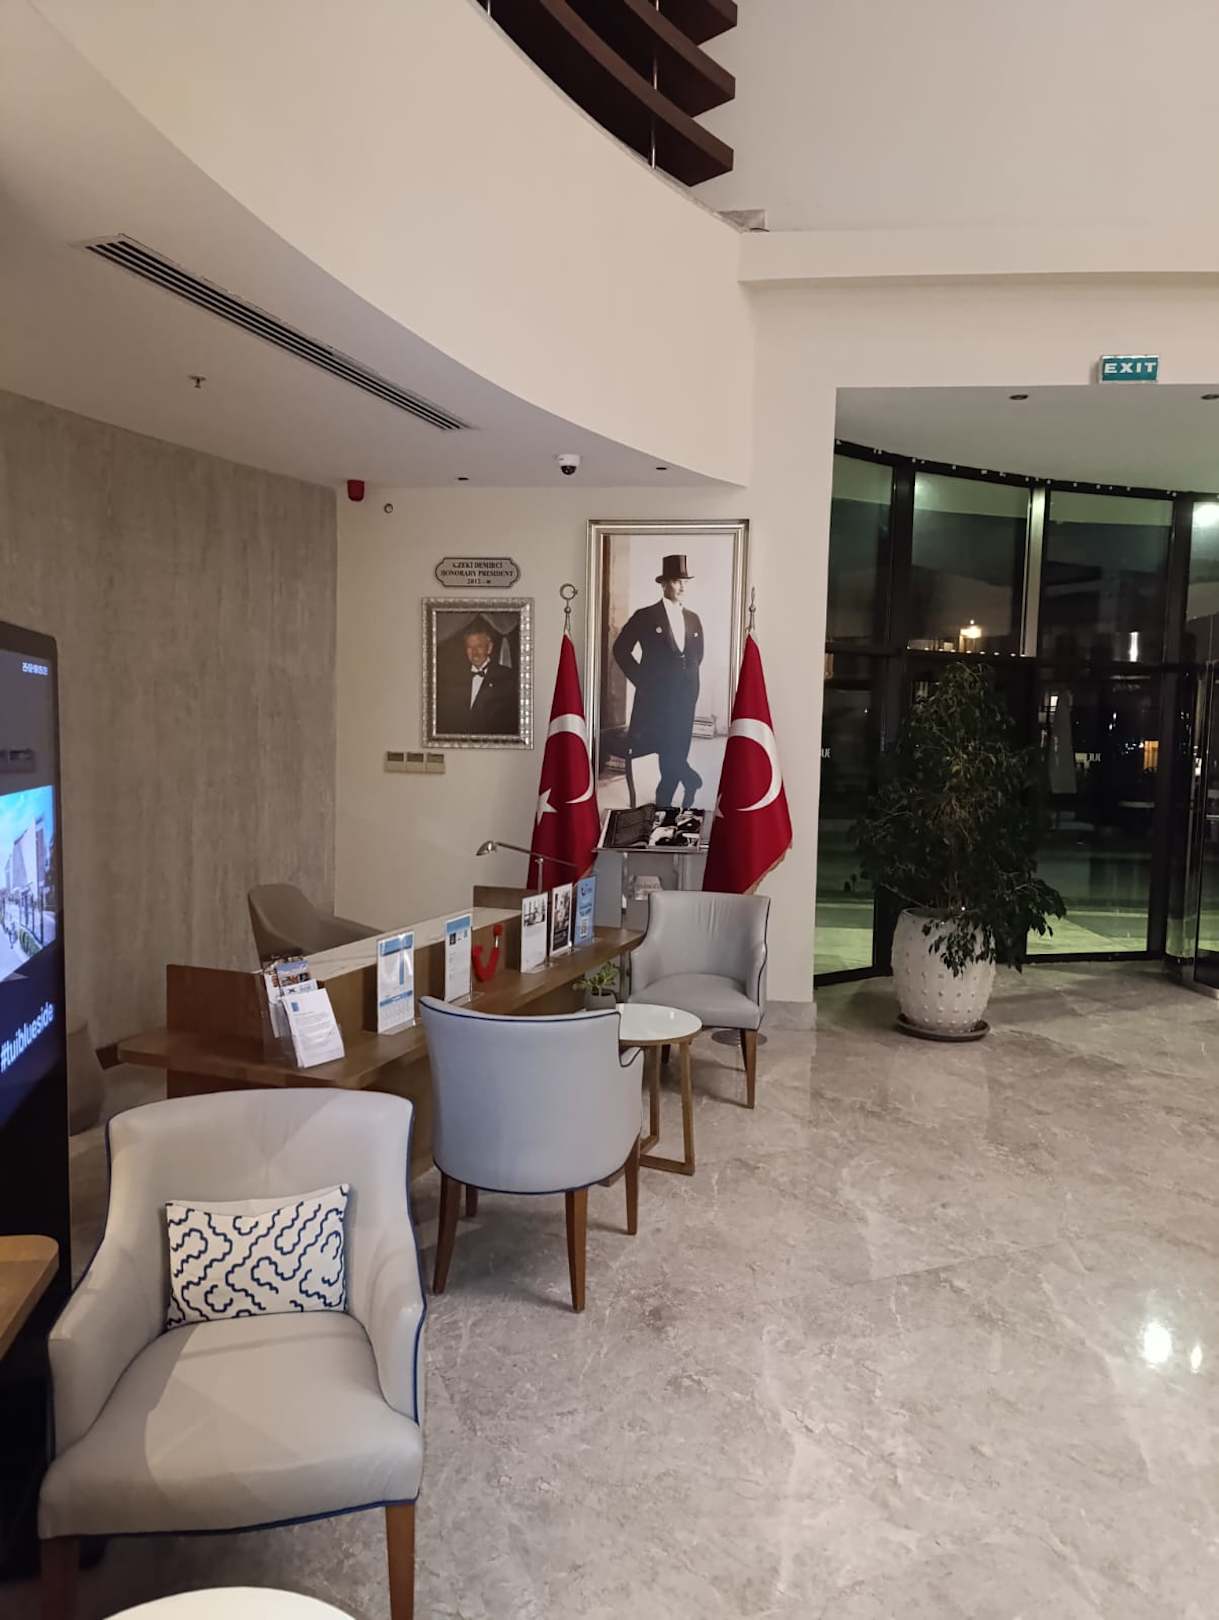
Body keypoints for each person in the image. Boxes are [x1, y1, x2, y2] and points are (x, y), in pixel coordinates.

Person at [612, 553, 704, 807]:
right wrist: (643, 680)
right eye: (676, 581)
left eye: (685, 581)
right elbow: (620, 649)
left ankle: (669, 796)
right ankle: (684, 785)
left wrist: (687, 680)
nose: (682, 587)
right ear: (663, 584)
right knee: (666, 745)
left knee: (678, 746)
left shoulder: (693, 618)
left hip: (686, 696)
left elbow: (698, 655)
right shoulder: (645, 616)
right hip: (655, 697)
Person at [436, 620, 519, 737]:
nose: (474, 653)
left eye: (479, 646)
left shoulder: (507, 677)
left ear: (489, 648)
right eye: (470, 648)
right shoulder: (454, 677)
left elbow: (511, 722)